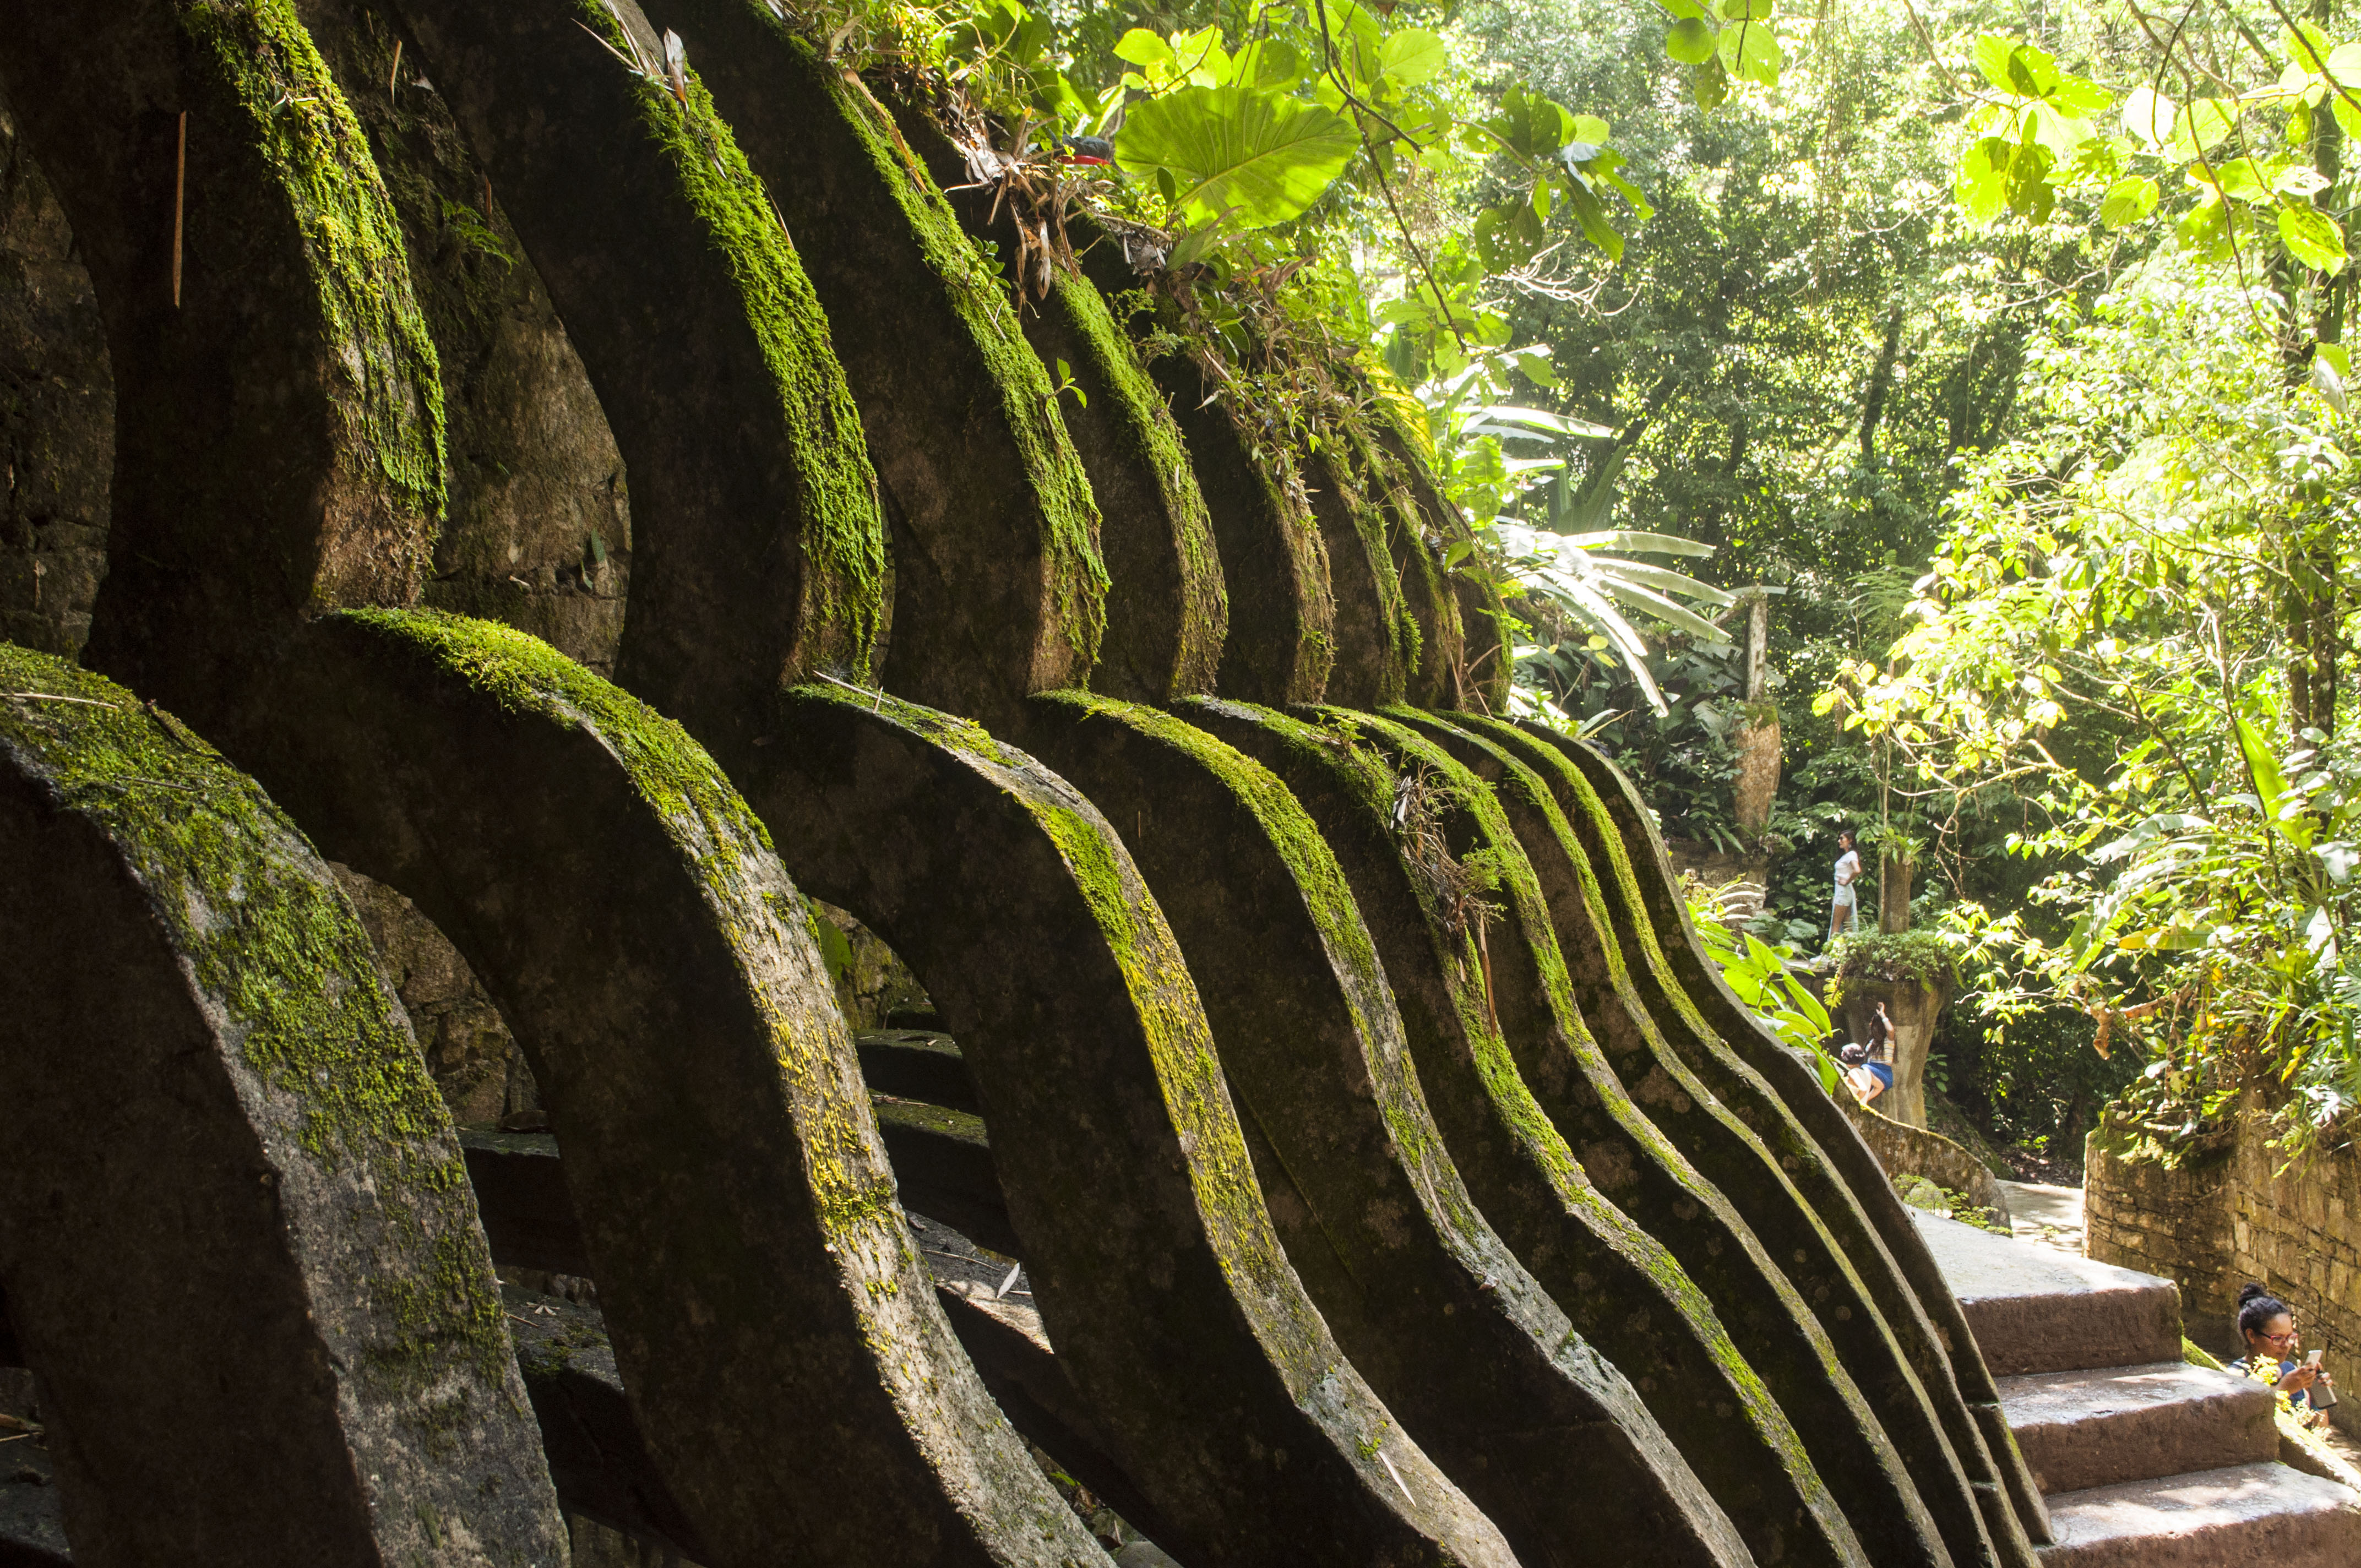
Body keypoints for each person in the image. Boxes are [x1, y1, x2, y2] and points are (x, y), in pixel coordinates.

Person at [2228, 1283, 2336, 1425]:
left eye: (2290, 1338)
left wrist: (2316, 1390)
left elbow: (2320, 1433)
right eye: (2278, 1339)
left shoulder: (2290, 1370)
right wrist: (2283, 1390)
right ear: (2252, 1336)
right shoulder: (2235, 1377)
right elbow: (2246, 1425)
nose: (2286, 1346)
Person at [1846, 999, 1895, 1107]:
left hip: (1883, 1073)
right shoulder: (1871, 1042)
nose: (1871, 1025)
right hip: (1870, 1070)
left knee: (1864, 1069)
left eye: (1873, 1024)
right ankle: (1861, 1097)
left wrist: (1883, 1015)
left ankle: (1863, 1099)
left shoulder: (1888, 1041)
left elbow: (1891, 1030)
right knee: (1859, 1070)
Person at [1830, 831, 1862, 939]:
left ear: (1850, 840)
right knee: (1848, 924)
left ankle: (1830, 950)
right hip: (1843, 891)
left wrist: (1847, 881)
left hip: (1843, 891)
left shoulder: (1851, 855)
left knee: (1836, 924)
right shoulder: (1847, 855)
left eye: (1842, 839)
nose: (1839, 841)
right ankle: (1848, 950)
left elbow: (1857, 870)